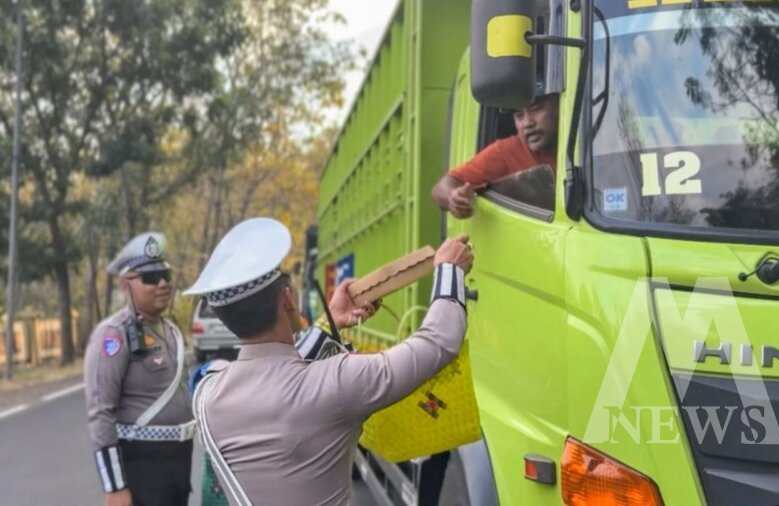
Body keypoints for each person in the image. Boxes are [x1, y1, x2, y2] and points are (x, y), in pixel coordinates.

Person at [185, 217, 473, 506]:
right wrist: (449, 270)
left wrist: (329, 322)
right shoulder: (338, 381)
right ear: (288, 300)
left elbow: (283, 378)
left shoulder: (209, 393)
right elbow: (439, 341)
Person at [84, 232, 194, 506]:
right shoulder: (113, 335)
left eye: (165, 275)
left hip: (179, 462)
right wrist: (115, 487)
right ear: (125, 285)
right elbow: (101, 413)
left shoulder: (170, 330)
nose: (161, 284)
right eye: (149, 278)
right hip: (141, 466)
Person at [432, 93, 559, 218]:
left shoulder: (578, 148)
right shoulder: (508, 151)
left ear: (560, 107)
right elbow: (442, 187)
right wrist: (453, 197)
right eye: (519, 115)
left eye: (536, 110)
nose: (527, 123)